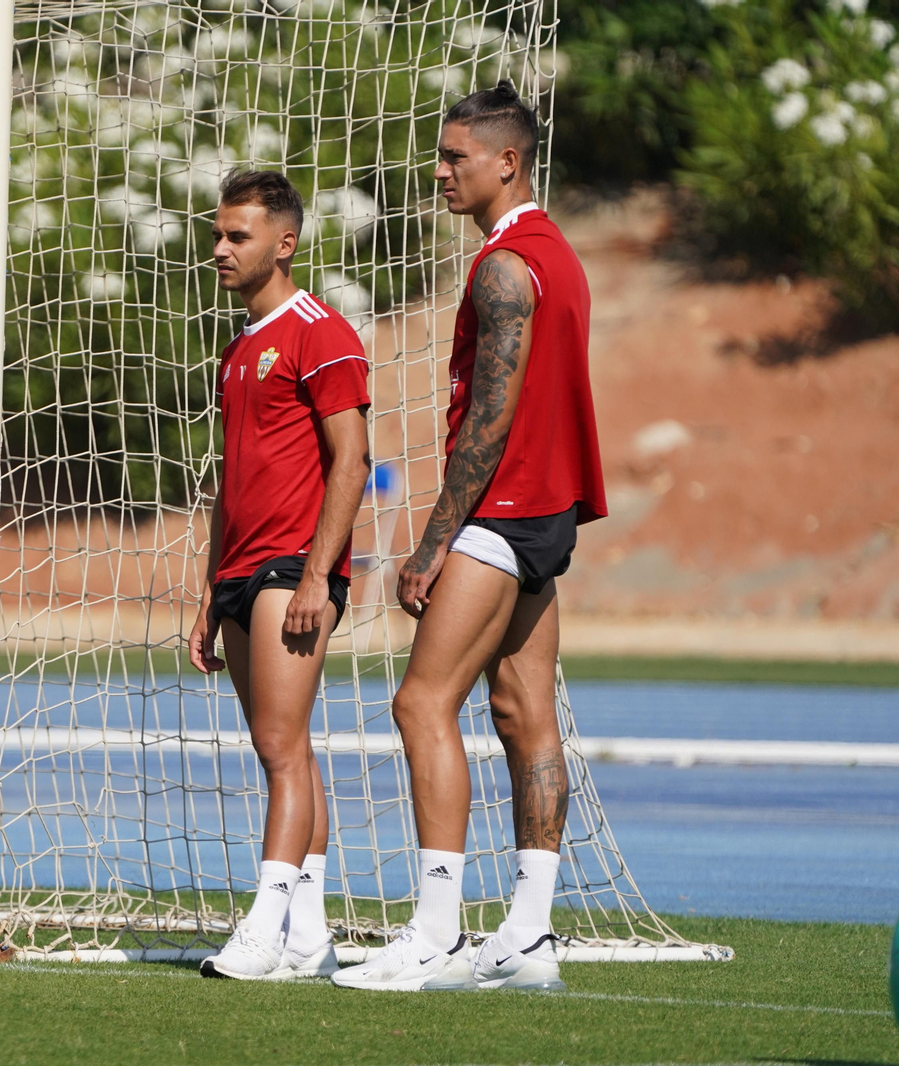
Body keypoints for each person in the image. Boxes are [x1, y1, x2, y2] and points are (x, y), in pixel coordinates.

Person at [331, 82, 606, 993]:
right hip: (547, 515)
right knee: (524, 714)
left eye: (456, 157)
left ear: (507, 162)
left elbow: (491, 418)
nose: (441, 171)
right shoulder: (556, 254)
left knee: (421, 703)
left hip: (502, 510)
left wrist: (432, 543)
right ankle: (527, 937)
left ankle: (437, 934)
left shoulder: (503, 268)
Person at [188, 170, 373, 980]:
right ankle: (308, 934)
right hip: (237, 572)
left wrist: (316, 577)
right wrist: (207, 595)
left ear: (285, 243)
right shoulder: (238, 349)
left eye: (239, 236)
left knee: (278, 743)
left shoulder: (320, 333)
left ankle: (262, 928)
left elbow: (351, 460)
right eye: (217, 234)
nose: (220, 249)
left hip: (292, 567)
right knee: (285, 750)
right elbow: (232, 481)